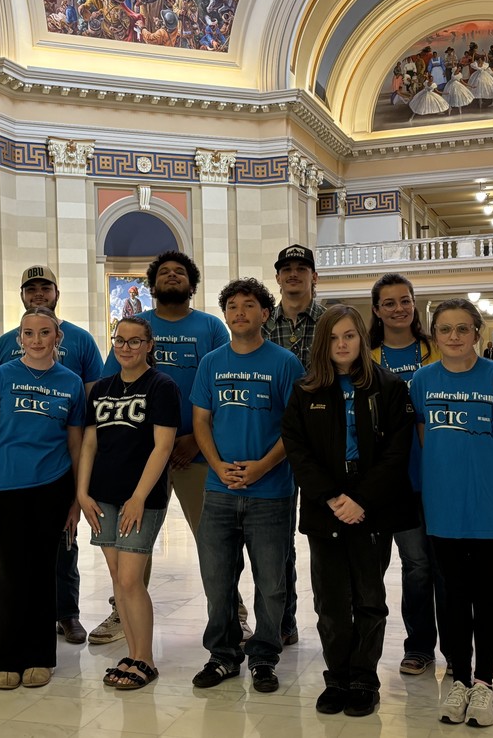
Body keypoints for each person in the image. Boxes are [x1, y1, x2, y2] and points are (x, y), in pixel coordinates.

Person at [282, 305, 416, 717]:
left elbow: (397, 450)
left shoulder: (388, 387)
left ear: (361, 339)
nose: (342, 344)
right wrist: (331, 497)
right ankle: (337, 677)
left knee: (369, 598)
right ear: (324, 343)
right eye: (334, 338)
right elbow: (297, 448)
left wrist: (362, 499)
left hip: (371, 507)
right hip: (327, 509)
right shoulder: (306, 391)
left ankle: (363, 678)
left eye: (350, 336)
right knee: (331, 603)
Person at [97, 250, 230, 644]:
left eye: (180, 272)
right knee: (132, 536)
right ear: (152, 285)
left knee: (211, 538)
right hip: (141, 457)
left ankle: (228, 610)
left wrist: (191, 439)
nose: (172, 276)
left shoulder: (210, 327)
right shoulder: (135, 326)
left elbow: (221, 385)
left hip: (194, 450)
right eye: (164, 272)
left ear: (192, 284)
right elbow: (111, 387)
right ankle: (123, 611)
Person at [410, 299, 493, 727]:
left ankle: (484, 683)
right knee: (452, 596)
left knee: (485, 594)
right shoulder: (423, 380)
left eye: (463, 329)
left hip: (485, 506)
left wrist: (492, 477)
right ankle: (459, 677)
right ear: (434, 336)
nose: (454, 337)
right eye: (445, 330)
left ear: (476, 333)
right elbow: (424, 437)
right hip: (442, 506)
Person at [190, 278, 304, 693]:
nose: (240, 311)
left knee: (272, 584)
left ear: (265, 314)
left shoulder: (285, 363)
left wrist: (261, 468)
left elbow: (295, 428)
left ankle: (264, 657)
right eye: (232, 306)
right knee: (217, 581)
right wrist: (218, 466)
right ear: (226, 315)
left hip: (270, 492)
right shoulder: (211, 363)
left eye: (249, 305)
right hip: (219, 490)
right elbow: (201, 420)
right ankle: (222, 656)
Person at [0, 265, 103, 646]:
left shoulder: (81, 342)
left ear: (57, 292)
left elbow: (90, 400)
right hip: (12, 470)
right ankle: (5, 615)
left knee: (63, 544)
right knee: (12, 552)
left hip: (60, 463)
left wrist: (81, 474)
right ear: (21, 296)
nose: (38, 293)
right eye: (30, 288)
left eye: (45, 287)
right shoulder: (5, 344)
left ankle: (66, 613)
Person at [0, 306, 86, 690]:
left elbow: (75, 445)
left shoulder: (70, 382)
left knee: (43, 574)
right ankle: (7, 656)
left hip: (52, 488)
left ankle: (40, 656)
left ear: (58, 338)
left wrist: (74, 501)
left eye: (44, 332)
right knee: (13, 573)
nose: (37, 340)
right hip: (5, 490)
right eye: (29, 333)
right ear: (19, 339)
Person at [76, 317, 180, 689]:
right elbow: (89, 443)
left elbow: (163, 447)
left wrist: (139, 497)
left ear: (149, 345)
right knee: (118, 579)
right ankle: (132, 653)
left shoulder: (161, 386)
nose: (126, 347)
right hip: (103, 496)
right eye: (120, 340)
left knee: (132, 579)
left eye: (135, 342)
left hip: (142, 498)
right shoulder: (101, 389)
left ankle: (146, 659)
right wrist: (82, 492)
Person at [367, 273, 447, 677]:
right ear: (377, 311)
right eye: (389, 303)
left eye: (405, 300)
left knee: (424, 565)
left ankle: (421, 646)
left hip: (433, 473)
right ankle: (369, 647)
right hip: (387, 480)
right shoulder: (368, 357)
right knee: (389, 564)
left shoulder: (437, 349)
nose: (399, 309)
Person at [262, 243, 327, 646]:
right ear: (278, 277)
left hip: (322, 441)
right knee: (278, 538)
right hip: (274, 442)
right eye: (286, 269)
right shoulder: (263, 323)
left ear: (313, 277)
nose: (293, 275)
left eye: (301, 269)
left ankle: (332, 620)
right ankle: (283, 620)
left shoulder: (331, 320)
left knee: (324, 534)